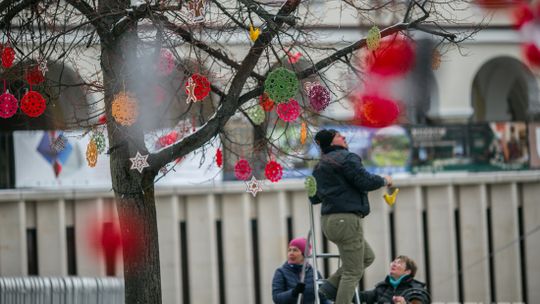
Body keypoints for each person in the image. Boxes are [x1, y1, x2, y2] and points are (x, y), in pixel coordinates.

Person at [308, 129, 392, 304]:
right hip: (346, 220)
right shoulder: (347, 158)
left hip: (329, 223)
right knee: (352, 272)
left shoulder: (319, 165)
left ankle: (328, 288)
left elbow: (314, 198)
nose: (344, 137)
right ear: (331, 142)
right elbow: (364, 181)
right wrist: (384, 180)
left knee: (367, 257)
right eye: (339, 136)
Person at [272, 237, 330, 304]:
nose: (291, 253)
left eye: (295, 250)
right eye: (289, 250)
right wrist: (294, 292)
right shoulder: (281, 272)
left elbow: (323, 298)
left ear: (304, 254)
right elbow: (276, 298)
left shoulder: (314, 273)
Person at [359, 255, 430, 304]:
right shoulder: (382, 287)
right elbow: (361, 296)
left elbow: (420, 301)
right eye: (394, 262)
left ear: (407, 271)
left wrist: (405, 303)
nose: (394, 264)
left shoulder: (416, 289)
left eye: (399, 263)